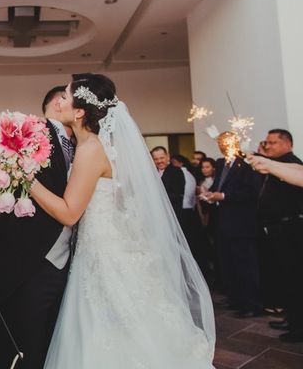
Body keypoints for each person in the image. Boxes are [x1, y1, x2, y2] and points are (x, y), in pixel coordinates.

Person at [30, 73, 215, 368]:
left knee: (108, 329)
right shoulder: (101, 146)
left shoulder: (90, 149)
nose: (59, 101)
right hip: (109, 243)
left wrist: (27, 180)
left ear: (79, 111)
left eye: (65, 96)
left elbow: (69, 212)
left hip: (102, 254)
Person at [0, 84, 72, 369]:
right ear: (60, 103)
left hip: (67, 264)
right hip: (25, 260)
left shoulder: (87, 145)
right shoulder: (25, 129)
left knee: (49, 342)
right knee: (22, 343)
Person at [203, 132, 262, 318]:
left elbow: (252, 192)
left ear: (235, 142)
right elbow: (219, 187)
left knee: (245, 265)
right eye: (220, 142)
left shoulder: (246, 162)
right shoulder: (221, 163)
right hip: (222, 222)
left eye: (225, 142)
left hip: (241, 223)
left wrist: (225, 197)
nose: (222, 145)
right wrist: (209, 194)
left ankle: (253, 304)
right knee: (228, 264)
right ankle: (236, 299)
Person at [255, 129, 303, 342]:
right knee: (285, 277)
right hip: (278, 230)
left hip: (291, 230)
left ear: (287, 143)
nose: (268, 146)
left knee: (295, 279)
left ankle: (299, 327)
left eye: (273, 143)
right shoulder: (273, 165)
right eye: (267, 143)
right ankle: (291, 319)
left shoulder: (291, 164)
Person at [151, 146, 185, 218]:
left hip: (172, 214)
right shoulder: (151, 173)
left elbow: (176, 194)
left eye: (161, 158)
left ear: (168, 157)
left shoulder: (176, 171)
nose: (159, 161)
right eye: (156, 159)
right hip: (155, 214)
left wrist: (154, 197)